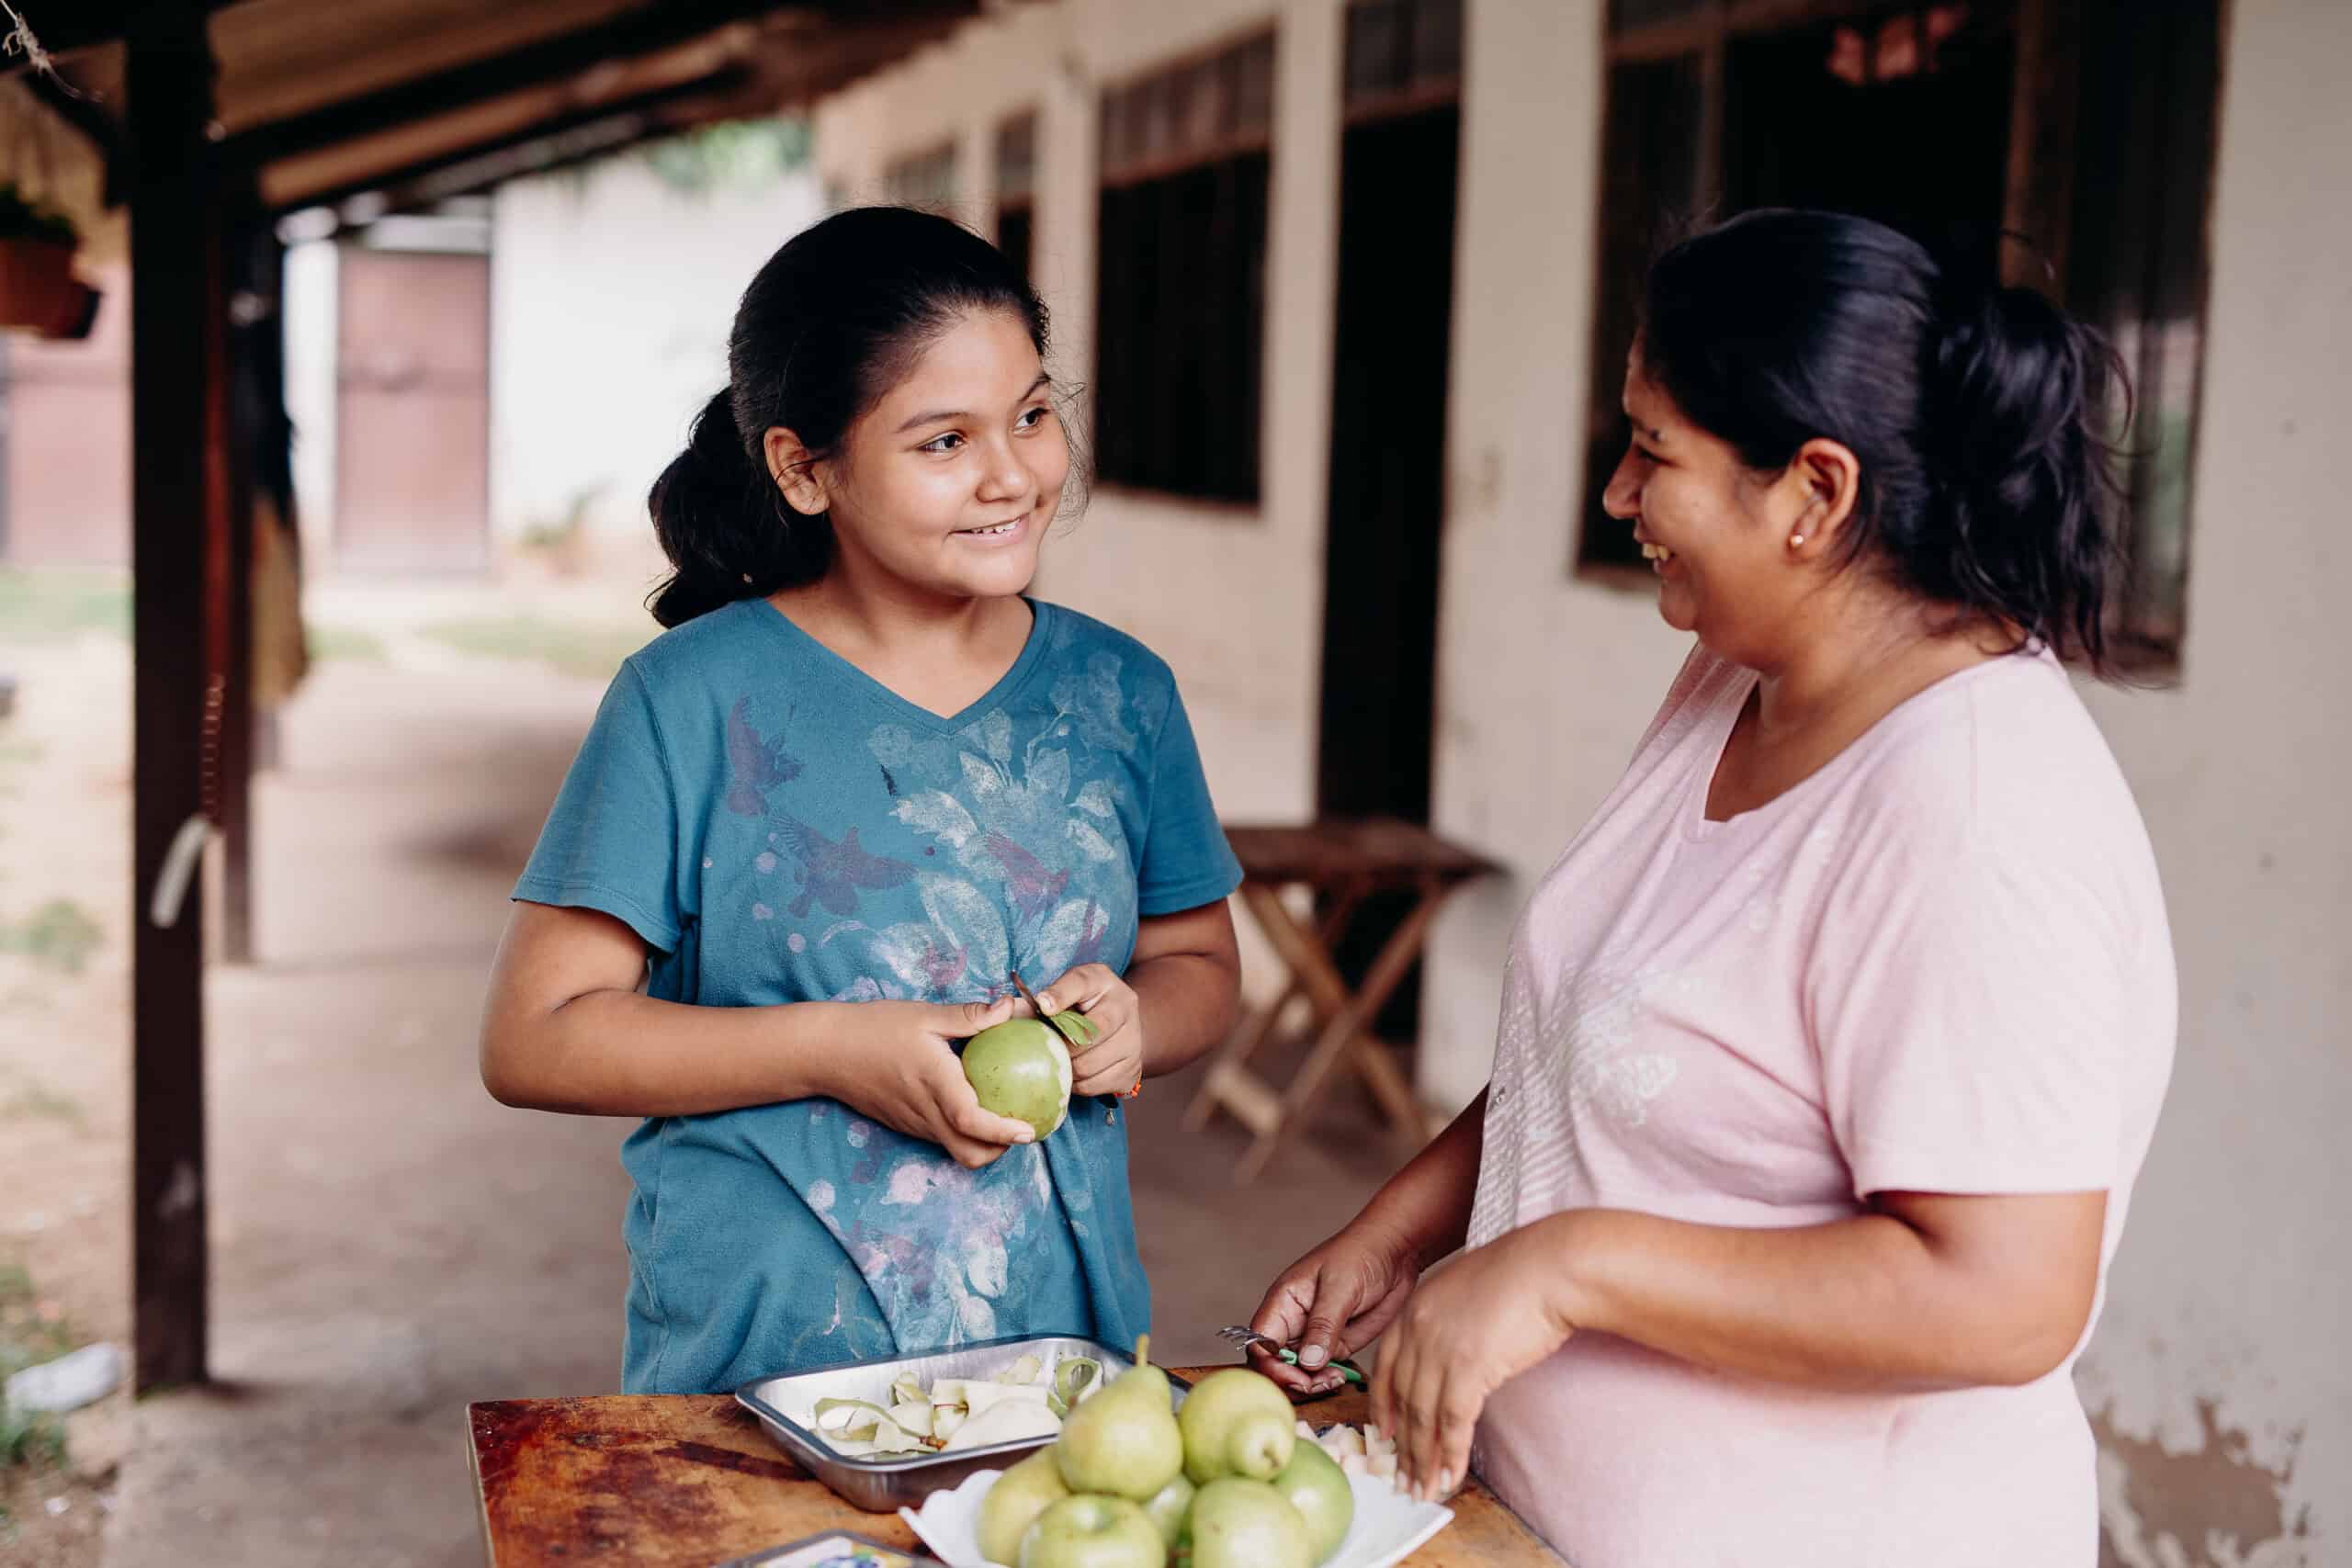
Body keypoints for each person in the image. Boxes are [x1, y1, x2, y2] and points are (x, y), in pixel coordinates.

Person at [1245, 209, 2176, 1567]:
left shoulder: (1974, 809)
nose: (1619, 497)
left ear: (1815, 492)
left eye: (1651, 453)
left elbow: (2005, 1297)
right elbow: (1630, 1047)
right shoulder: (1739, 677)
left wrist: (1565, 1268)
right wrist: (1403, 1231)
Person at [480, 207, 1243, 1394]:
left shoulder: (1118, 695)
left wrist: (1139, 1026)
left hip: (1052, 1352)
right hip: (769, 1347)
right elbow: (537, 1035)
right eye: (943, 441)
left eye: (1034, 415)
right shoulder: (694, 700)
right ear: (802, 466)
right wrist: (837, 1048)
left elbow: (1200, 965)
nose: (1014, 474)